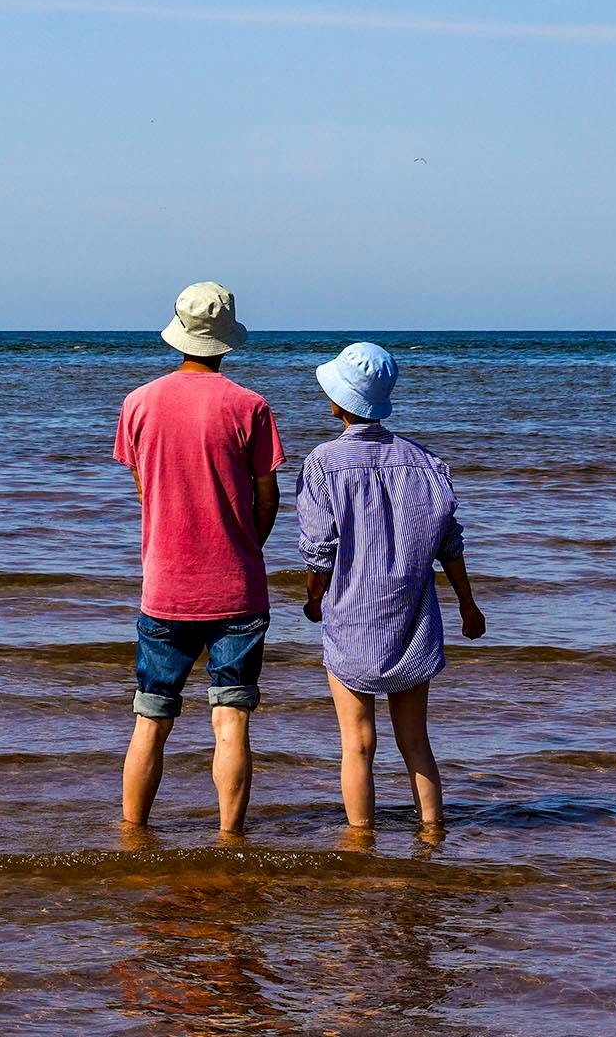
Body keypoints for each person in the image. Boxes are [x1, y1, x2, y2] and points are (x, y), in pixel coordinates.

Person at [114, 281, 285, 835]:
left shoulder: (138, 403)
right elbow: (267, 497)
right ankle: (230, 838)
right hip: (236, 587)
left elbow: (146, 489)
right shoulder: (250, 406)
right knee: (231, 719)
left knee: (150, 717)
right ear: (226, 340)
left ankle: (133, 834)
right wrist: (244, 547)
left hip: (165, 585)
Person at [295, 341, 485, 833]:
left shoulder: (322, 464)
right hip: (411, 618)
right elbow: (450, 544)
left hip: (352, 619)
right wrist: (468, 605)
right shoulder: (425, 463)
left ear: (340, 402)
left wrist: (314, 598)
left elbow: (320, 550)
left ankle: (361, 842)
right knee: (415, 741)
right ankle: (432, 831)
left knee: (357, 744)